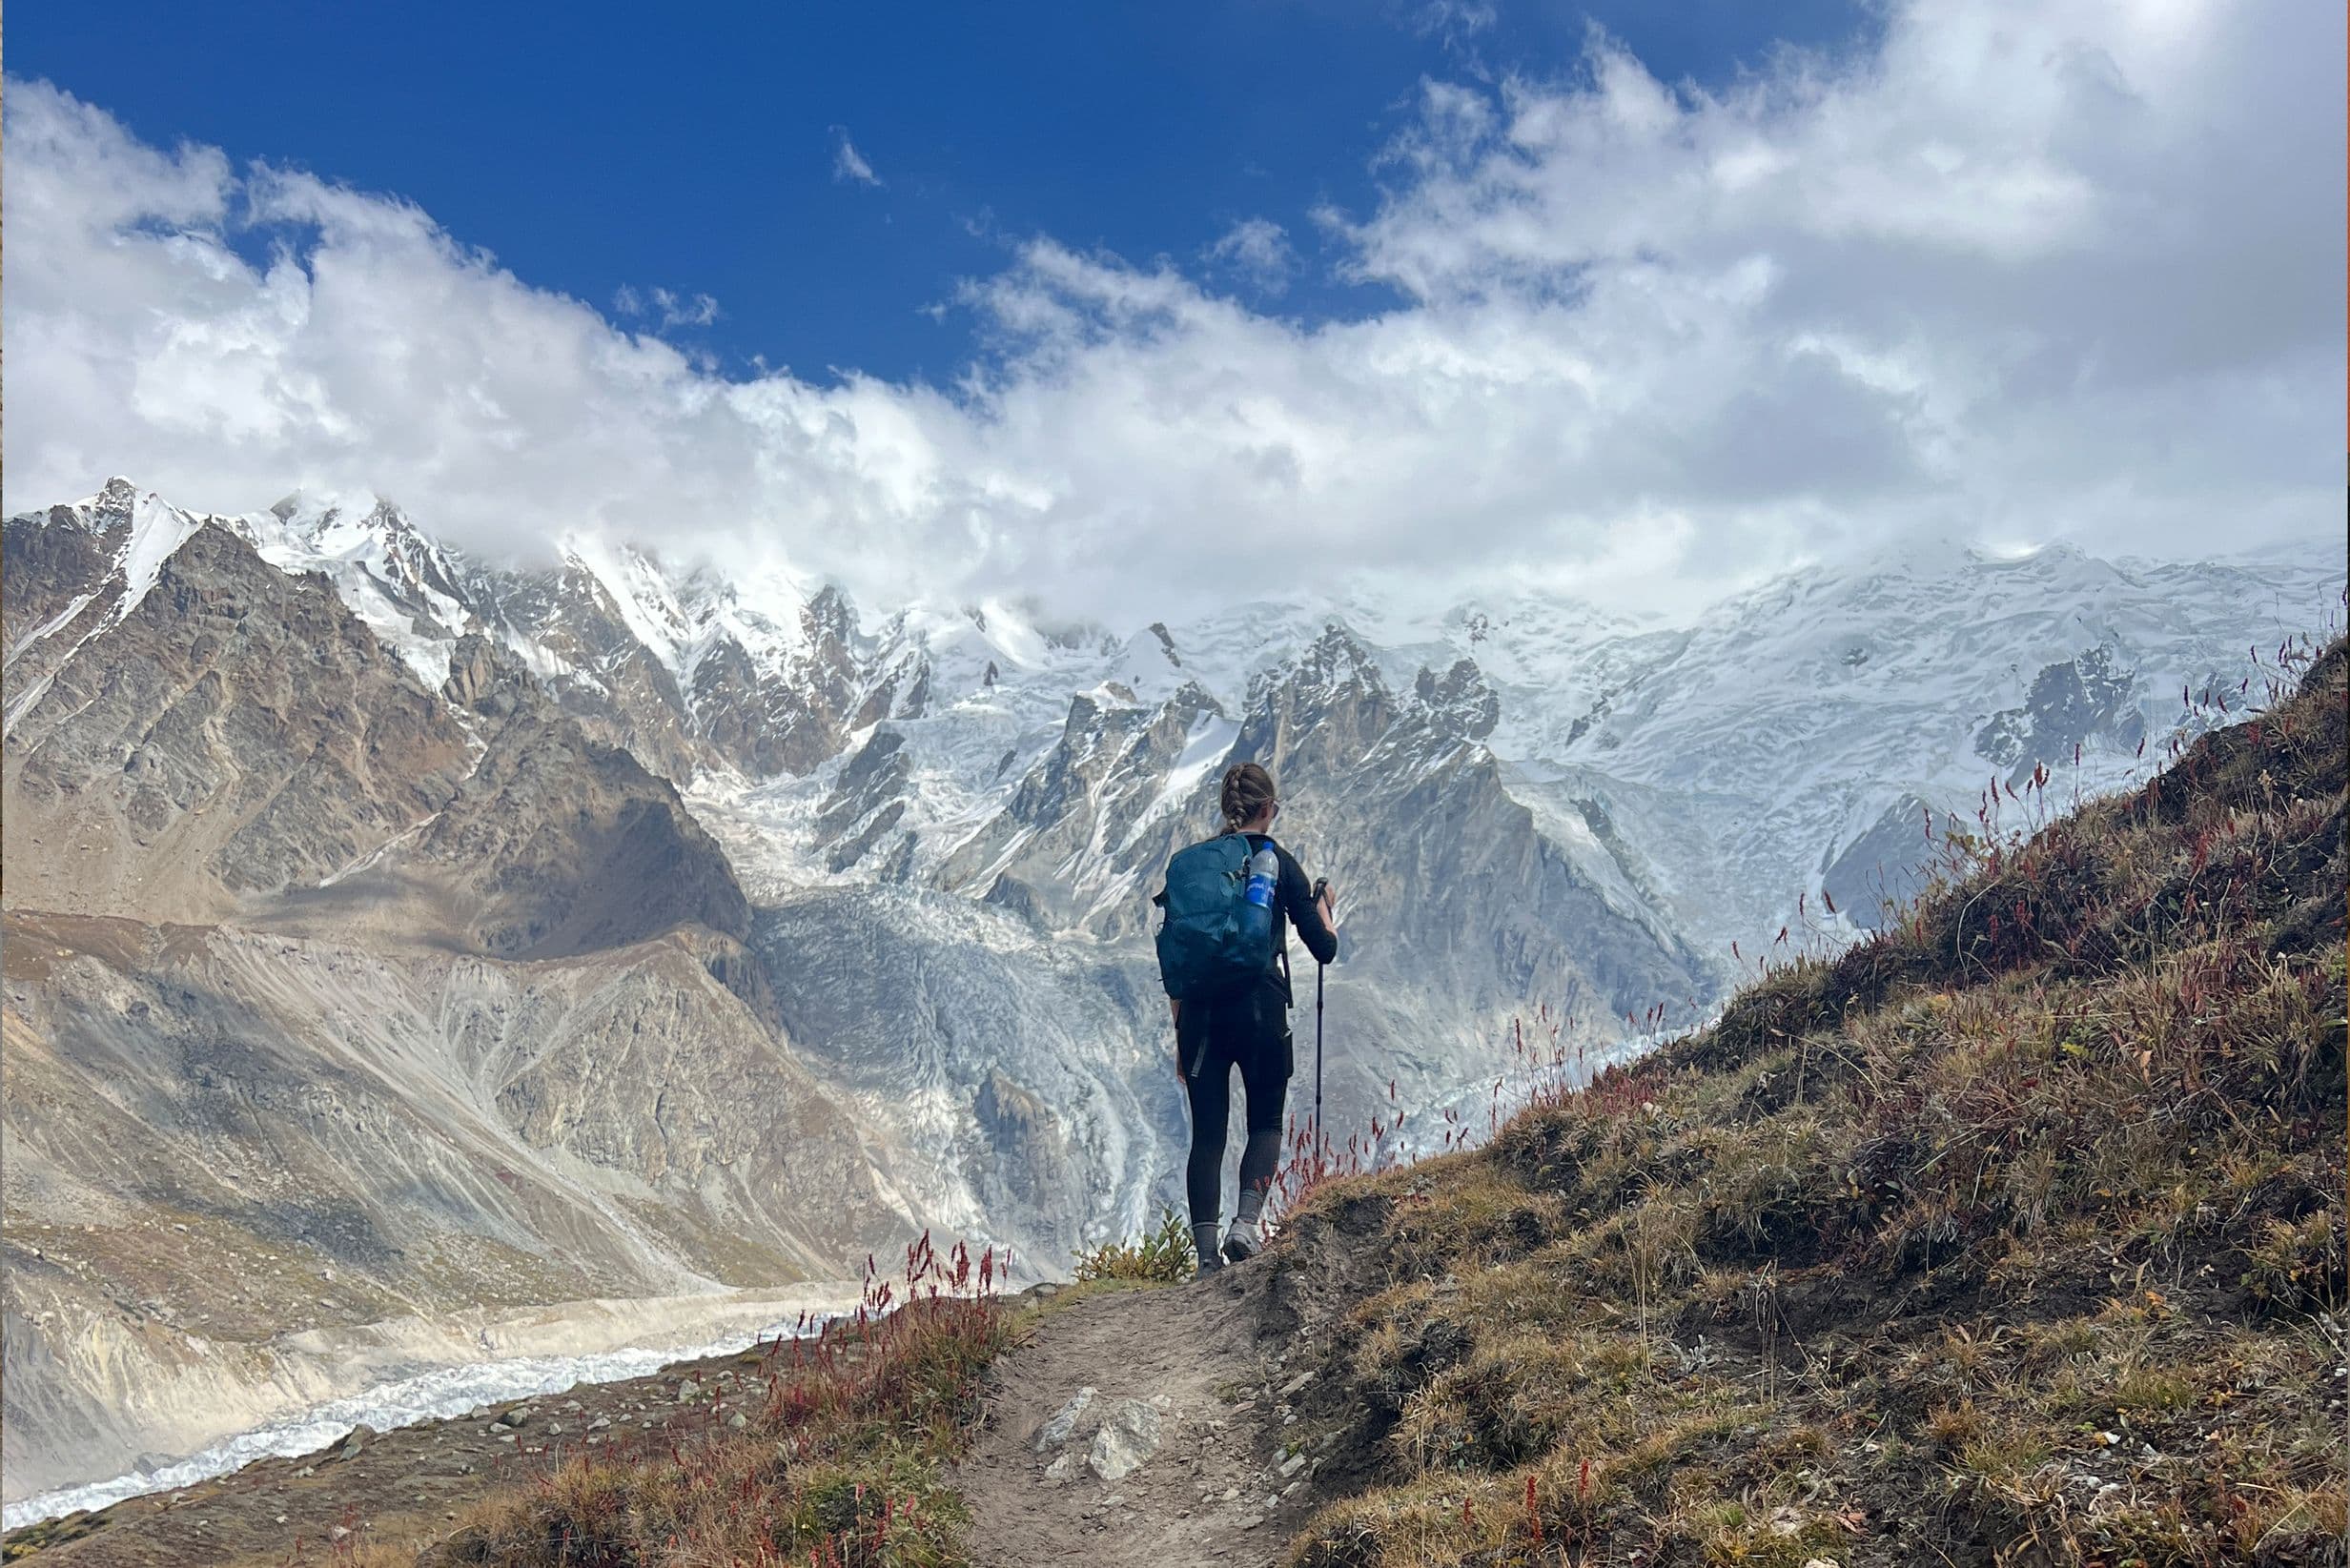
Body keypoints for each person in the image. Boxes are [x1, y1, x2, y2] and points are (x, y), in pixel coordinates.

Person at [1173, 762, 1337, 1272]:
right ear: (1269, 810)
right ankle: (1245, 1226)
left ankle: (1204, 1258)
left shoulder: (1193, 867)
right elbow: (1323, 948)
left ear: (1228, 809)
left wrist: (1180, 1035)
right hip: (1261, 1008)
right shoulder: (1277, 861)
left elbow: (1176, 959)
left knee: (1207, 1134)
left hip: (1199, 1015)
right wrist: (1325, 906)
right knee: (1265, 1121)